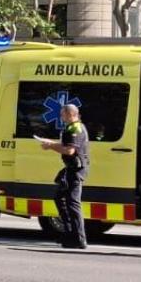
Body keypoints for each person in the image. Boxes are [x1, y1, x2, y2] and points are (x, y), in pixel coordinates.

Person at [39, 103, 90, 249]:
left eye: (63, 114)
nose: (61, 117)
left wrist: (50, 146)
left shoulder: (75, 128)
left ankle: (78, 238)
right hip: (72, 169)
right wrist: (52, 143)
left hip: (75, 170)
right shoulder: (73, 127)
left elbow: (69, 151)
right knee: (60, 198)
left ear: (70, 114)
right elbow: (66, 146)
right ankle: (69, 233)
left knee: (73, 204)